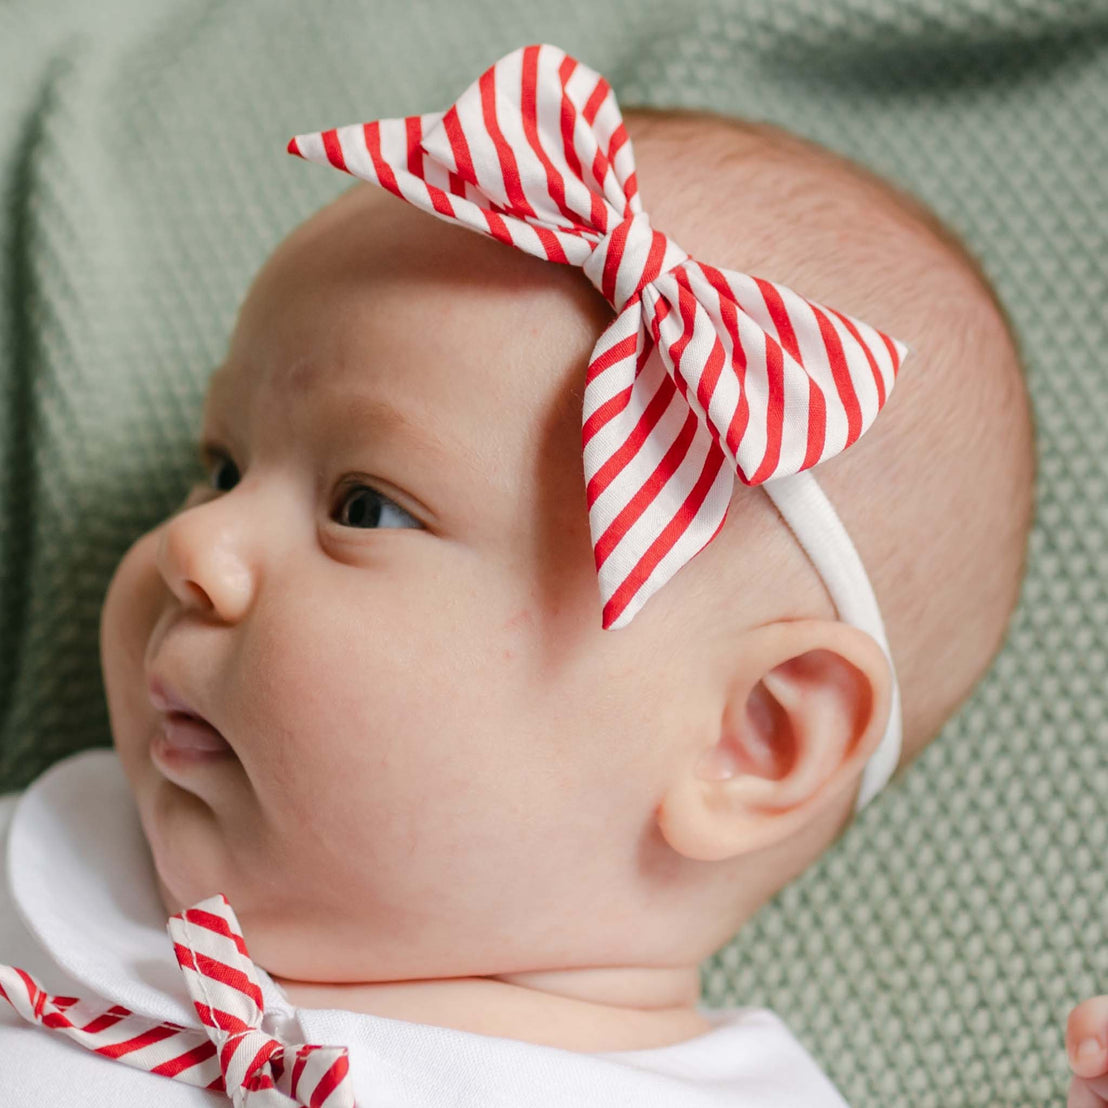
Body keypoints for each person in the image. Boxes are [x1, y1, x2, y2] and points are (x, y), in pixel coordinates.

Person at [0, 44, 1034, 1106]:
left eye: (365, 507)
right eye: (219, 467)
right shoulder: (60, 862)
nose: (193, 547)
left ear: (752, 738)